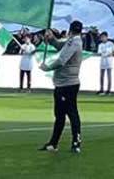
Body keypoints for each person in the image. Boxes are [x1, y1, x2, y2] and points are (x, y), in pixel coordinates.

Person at [39, 20, 83, 155]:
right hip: (65, 83)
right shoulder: (74, 41)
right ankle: (55, 142)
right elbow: (60, 45)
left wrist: (47, 67)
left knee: (69, 113)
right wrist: (51, 39)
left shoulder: (73, 42)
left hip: (67, 84)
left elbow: (61, 60)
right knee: (62, 114)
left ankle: (74, 142)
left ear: (70, 30)